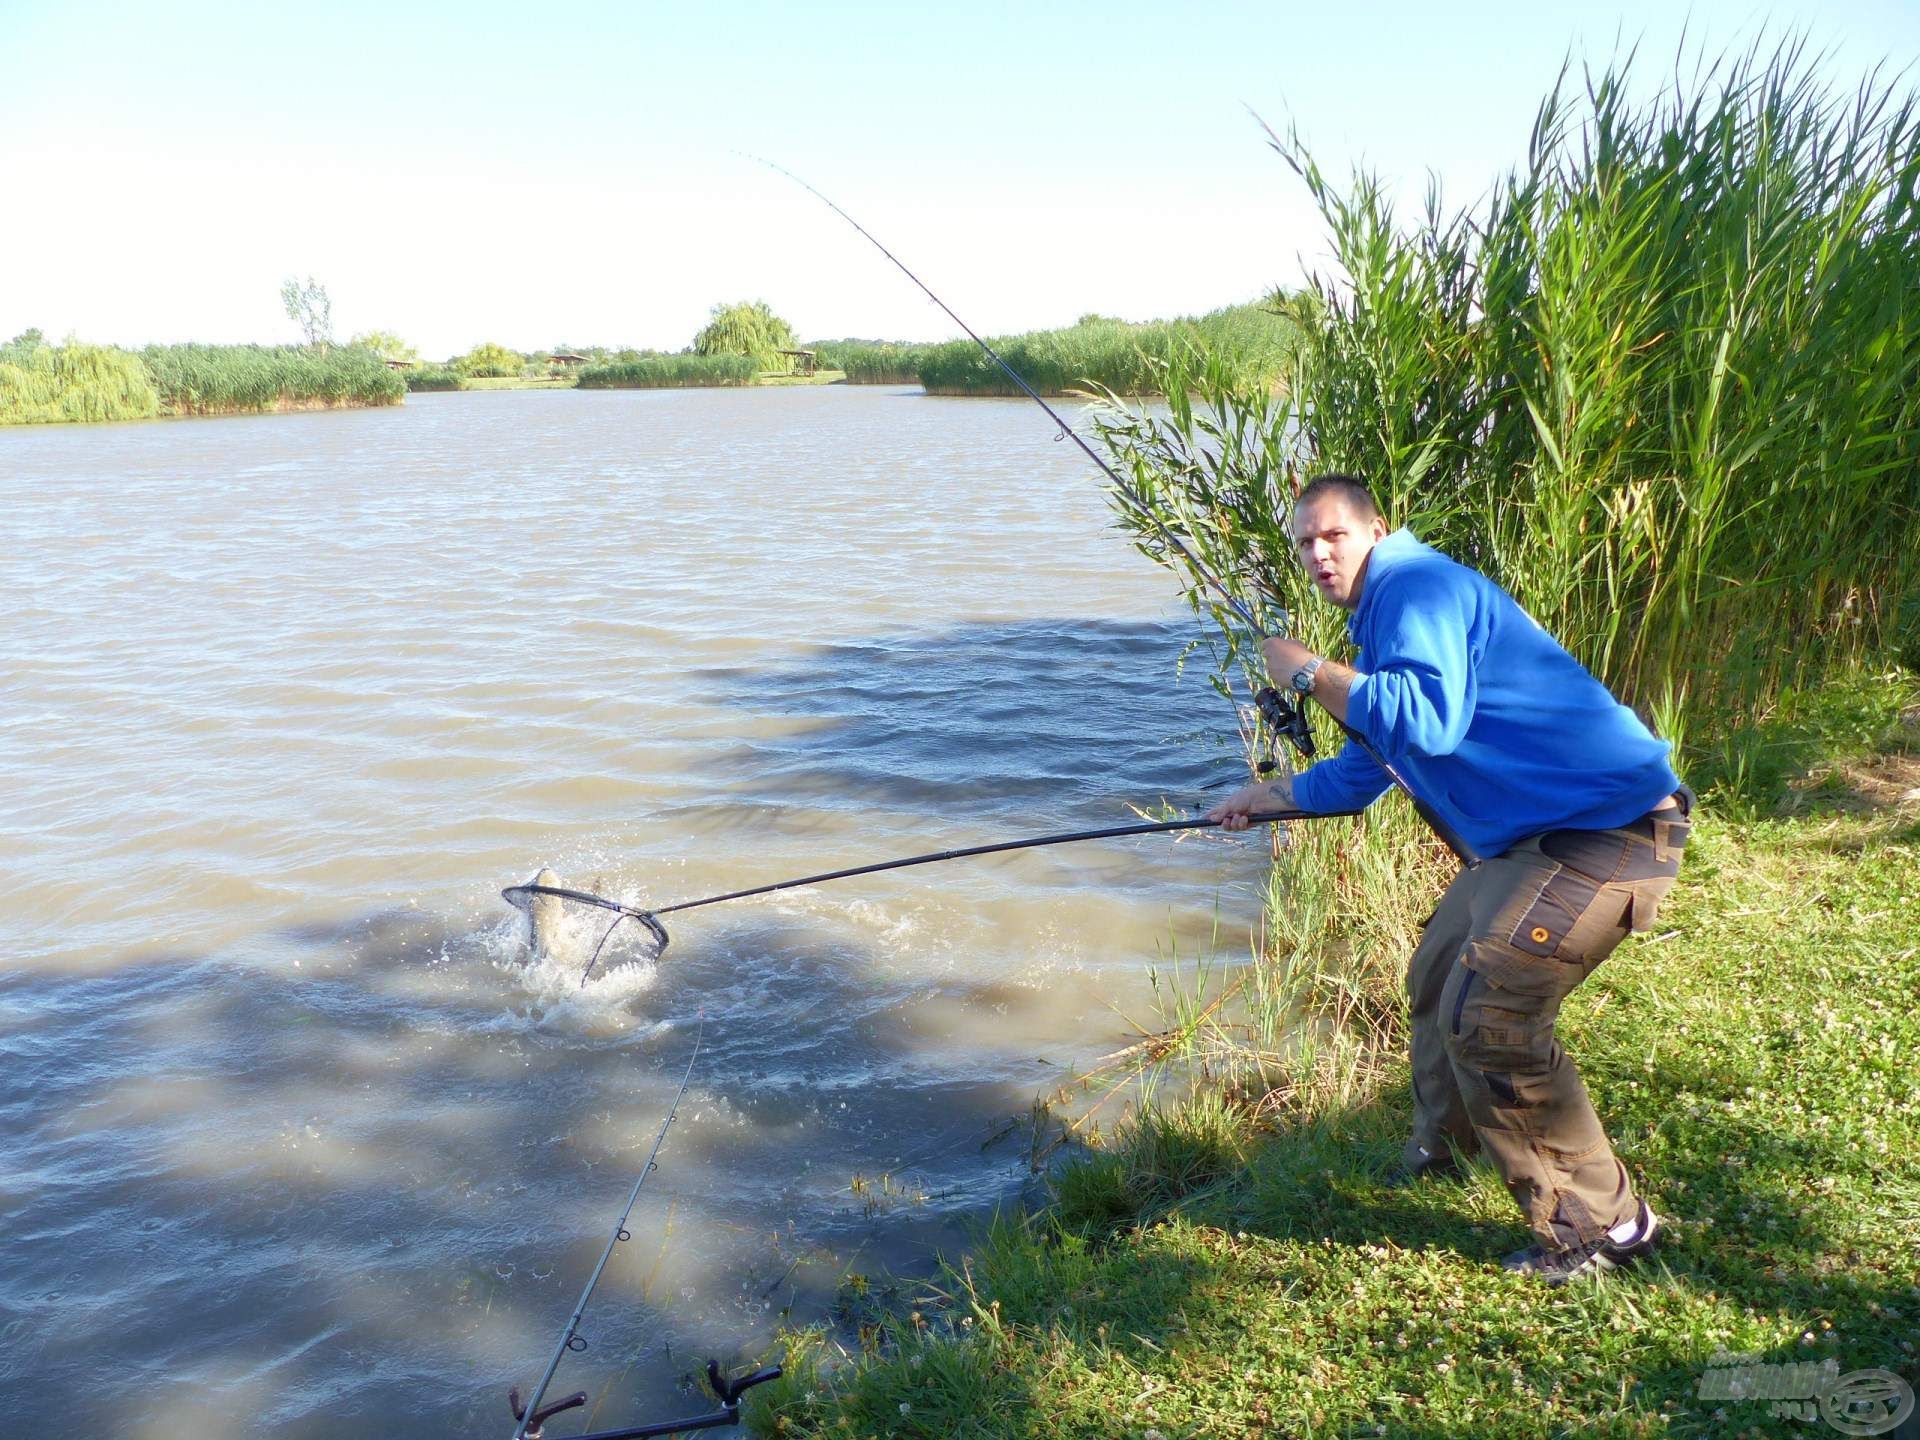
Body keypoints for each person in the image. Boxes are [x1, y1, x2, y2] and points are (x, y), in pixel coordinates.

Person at [1205, 473, 1691, 1285]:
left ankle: (1607, 1227)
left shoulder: (1416, 586)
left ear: (1376, 530)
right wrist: (1273, 797)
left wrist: (1307, 673)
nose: (1319, 555)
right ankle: (1447, 1151)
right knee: (1437, 973)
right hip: (1532, 842)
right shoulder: (1388, 613)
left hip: (1607, 831)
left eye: (1334, 535)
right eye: (1304, 543)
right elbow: (1377, 763)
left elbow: (1422, 719)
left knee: (1489, 1014)